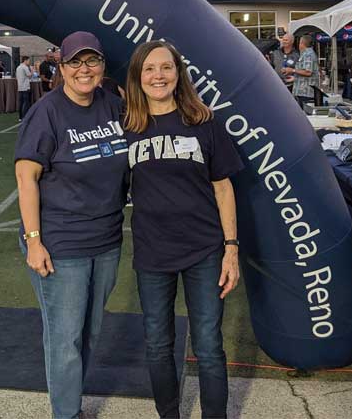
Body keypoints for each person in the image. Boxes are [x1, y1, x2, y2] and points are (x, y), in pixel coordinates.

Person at [123, 40, 242, 419]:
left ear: (178, 73)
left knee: (208, 345)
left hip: (204, 251)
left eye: (166, 68)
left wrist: (231, 249)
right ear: (138, 77)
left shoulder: (203, 122)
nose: (158, 76)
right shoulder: (128, 126)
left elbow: (223, 188)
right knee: (158, 344)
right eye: (150, 69)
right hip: (153, 252)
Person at [14, 31, 128, 419]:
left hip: (107, 240)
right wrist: (33, 241)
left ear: (102, 67)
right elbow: (26, 178)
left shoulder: (114, 106)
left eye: (91, 61)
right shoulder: (47, 112)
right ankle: (67, 413)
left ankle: (72, 401)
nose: (84, 69)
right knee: (65, 338)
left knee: (89, 333)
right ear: (60, 68)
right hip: (61, 243)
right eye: (75, 62)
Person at [290, 34, 318, 109]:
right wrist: (294, 78)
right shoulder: (306, 54)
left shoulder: (308, 54)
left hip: (305, 93)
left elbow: (308, 72)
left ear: (302, 43)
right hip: (302, 92)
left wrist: (292, 70)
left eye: (299, 43)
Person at [15, 55, 33, 121]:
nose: (29, 62)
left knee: (21, 102)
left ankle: (20, 117)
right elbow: (30, 76)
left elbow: (16, 77)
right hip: (25, 87)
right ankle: (24, 116)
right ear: (25, 60)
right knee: (26, 102)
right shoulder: (25, 67)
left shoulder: (18, 67)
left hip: (20, 87)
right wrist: (32, 70)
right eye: (28, 60)